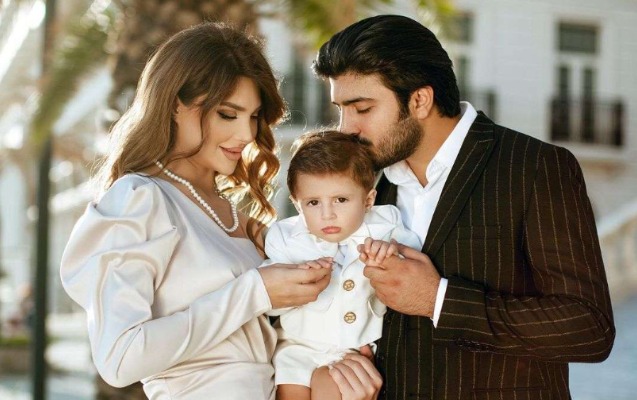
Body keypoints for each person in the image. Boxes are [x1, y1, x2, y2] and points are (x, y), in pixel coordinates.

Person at [313, 14, 616, 400]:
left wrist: (437, 299)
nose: (345, 128)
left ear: (420, 100)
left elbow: (589, 328)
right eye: (340, 109)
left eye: (362, 108)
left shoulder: (534, 166)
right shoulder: (367, 187)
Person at [59, 22, 338, 400]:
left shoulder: (235, 216)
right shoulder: (139, 200)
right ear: (176, 104)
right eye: (228, 114)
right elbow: (120, 358)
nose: (246, 135)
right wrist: (255, 291)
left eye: (253, 117)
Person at [262, 131, 420, 400]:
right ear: (297, 205)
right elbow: (270, 302)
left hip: (352, 351)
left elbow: (411, 269)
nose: (328, 214)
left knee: (332, 387)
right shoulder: (284, 238)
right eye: (313, 203)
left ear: (368, 200)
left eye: (341, 200)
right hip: (298, 346)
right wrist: (298, 278)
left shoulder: (385, 226)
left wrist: (390, 257)